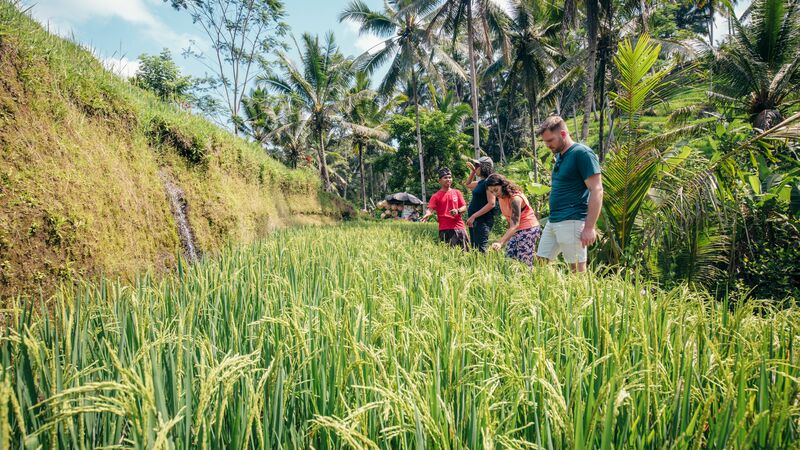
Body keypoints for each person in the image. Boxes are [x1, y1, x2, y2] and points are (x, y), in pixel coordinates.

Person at [535, 115, 603, 272]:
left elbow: (597, 190)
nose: (548, 145)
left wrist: (589, 227)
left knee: (577, 271)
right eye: (545, 142)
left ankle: (582, 297)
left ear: (563, 134)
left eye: (550, 140)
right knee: (540, 264)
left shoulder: (582, 153)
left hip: (572, 220)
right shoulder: (560, 156)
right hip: (554, 221)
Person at [484, 174, 542, 266]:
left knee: (524, 262)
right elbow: (509, 220)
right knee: (509, 259)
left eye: (496, 190)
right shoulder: (501, 197)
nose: (495, 194)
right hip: (515, 230)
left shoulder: (515, 198)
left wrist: (500, 242)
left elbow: (515, 225)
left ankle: (527, 279)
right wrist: (507, 238)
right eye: (492, 192)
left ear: (503, 185)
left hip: (528, 229)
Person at [421, 168, 469, 250]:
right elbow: (430, 208)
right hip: (445, 229)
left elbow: (464, 207)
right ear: (439, 181)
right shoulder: (435, 196)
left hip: (459, 227)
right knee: (448, 254)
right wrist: (428, 214)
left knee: (465, 253)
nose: (448, 179)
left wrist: (458, 210)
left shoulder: (457, 192)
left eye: (450, 177)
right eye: (445, 177)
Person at [463, 156, 498, 252]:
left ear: (484, 167)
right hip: (475, 220)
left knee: (481, 248)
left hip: (482, 220)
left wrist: (474, 216)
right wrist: (473, 172)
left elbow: (491, 203)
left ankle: (485, 266)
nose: (475, 167)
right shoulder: (481, 182)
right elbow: (467, 184)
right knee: (474, 247)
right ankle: (475, 266)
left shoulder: (489, 182)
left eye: (477, 165)